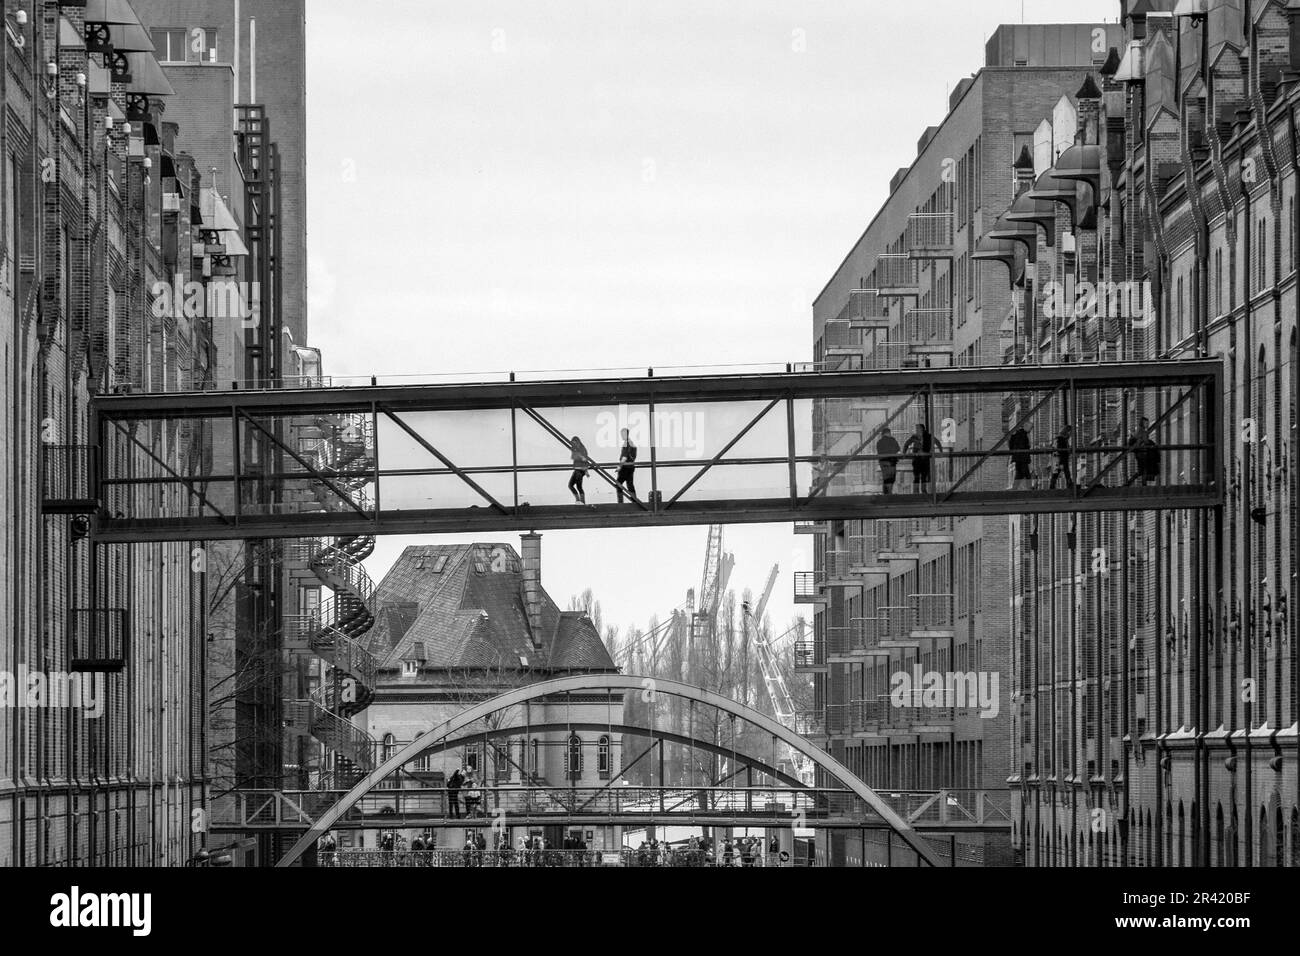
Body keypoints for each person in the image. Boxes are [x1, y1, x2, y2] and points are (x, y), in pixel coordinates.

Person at [902, 423, 942, 493]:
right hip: (917, 459)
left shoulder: (928, 436)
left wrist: (941, 452)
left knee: (923, 476)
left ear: (922, 429)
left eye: (917, 428)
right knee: (917, 476)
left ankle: (923, 490)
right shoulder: (914, 437)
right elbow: (906, 444)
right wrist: (904, 453)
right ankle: (916, 491)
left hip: (924, 459)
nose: (916, 430)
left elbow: (937, 442)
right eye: (916, 428)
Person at [1131, 416, 1160, 485]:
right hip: (1143, 454)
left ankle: (1137, 483)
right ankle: (1143, 485)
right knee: (1144, 470)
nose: (1148, 424)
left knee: (1142, 470)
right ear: (1143, 423)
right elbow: (1145, 441)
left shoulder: (1139, 430)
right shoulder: (1142, 431)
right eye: (1146, 423)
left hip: (1140, 454)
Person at [877, 427, 901, 495]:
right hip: (891, 461)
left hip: (883, 462)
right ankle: (889, 493)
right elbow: (898, 449)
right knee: (891, 478)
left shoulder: (879, 442)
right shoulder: (892, 440)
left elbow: (879, 452)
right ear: (889, 433)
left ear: (883, 434)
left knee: (886, 478)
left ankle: (886, 493)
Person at [616, 428, 638, 503]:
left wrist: (619, 466)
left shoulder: (626, 443)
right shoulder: (632, 443)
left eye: (622, 434)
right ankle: (635, 502)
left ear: (625, 434)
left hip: (625, 467)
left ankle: (620, 503)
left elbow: (624, 457)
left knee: (618, 483)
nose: (621, 436)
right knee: (630, 485)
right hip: (631, 466)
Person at [1049, 424, 1074, 489]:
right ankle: (1069, 485)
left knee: (1060, 472)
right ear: (1067, 432)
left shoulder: (1060, 438)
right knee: (1065, 472)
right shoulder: (1061, 439)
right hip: (1061, 459)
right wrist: (1062, 461)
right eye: (1070, 432)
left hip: (1059, 459)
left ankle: (1052, 486)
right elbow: (1061, 451)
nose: (1070, 435)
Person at [568, 436, 591, 504]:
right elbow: (574, 456)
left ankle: (581, 501)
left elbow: (585, 460)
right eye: (573, 443)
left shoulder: (582, 449)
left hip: (580, 470)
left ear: (578, 442)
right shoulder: (576, 449)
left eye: (574, 443)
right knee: (571, 485)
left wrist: (586, 471)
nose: (573, 444)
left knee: (578, 487)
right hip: (577, 469)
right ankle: (578, 500)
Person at [1008, 426, 1033, 490]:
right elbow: (1029, 445)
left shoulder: (1014, 435)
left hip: (1017, 457)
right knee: (1026, 472)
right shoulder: (1025, 434)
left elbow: (1010, 446)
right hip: (1023, 457)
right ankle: (1029, 487)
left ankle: (1015, 487)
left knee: (1019, 472)